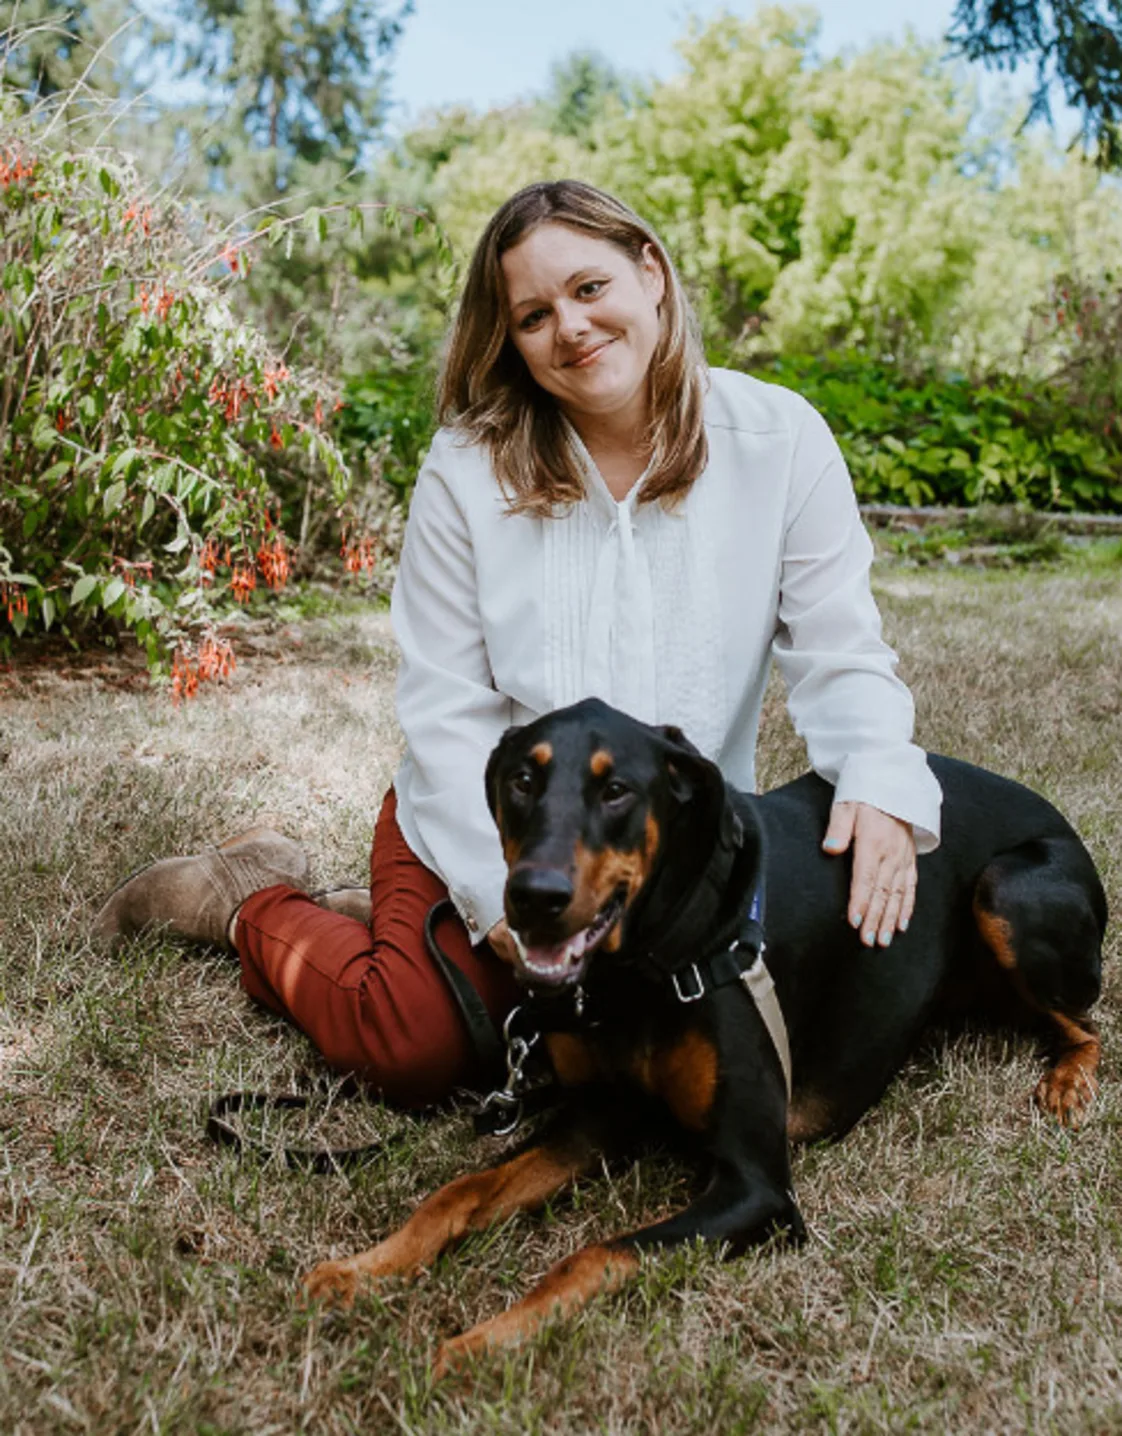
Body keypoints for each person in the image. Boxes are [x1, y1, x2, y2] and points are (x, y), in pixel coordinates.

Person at [94, 180, 942, 1108]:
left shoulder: (780, 439)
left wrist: (877, 782)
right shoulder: (467, 468)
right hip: (490, 827)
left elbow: (842, 650)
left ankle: (392, 921)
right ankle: (245, 898)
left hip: (661, 853)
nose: (570, 328)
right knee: (417, 1046)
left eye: (589, 288)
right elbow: (447, 709)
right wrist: (494, 900)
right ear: (511, 341)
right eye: (533, 315)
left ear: (651, 272)